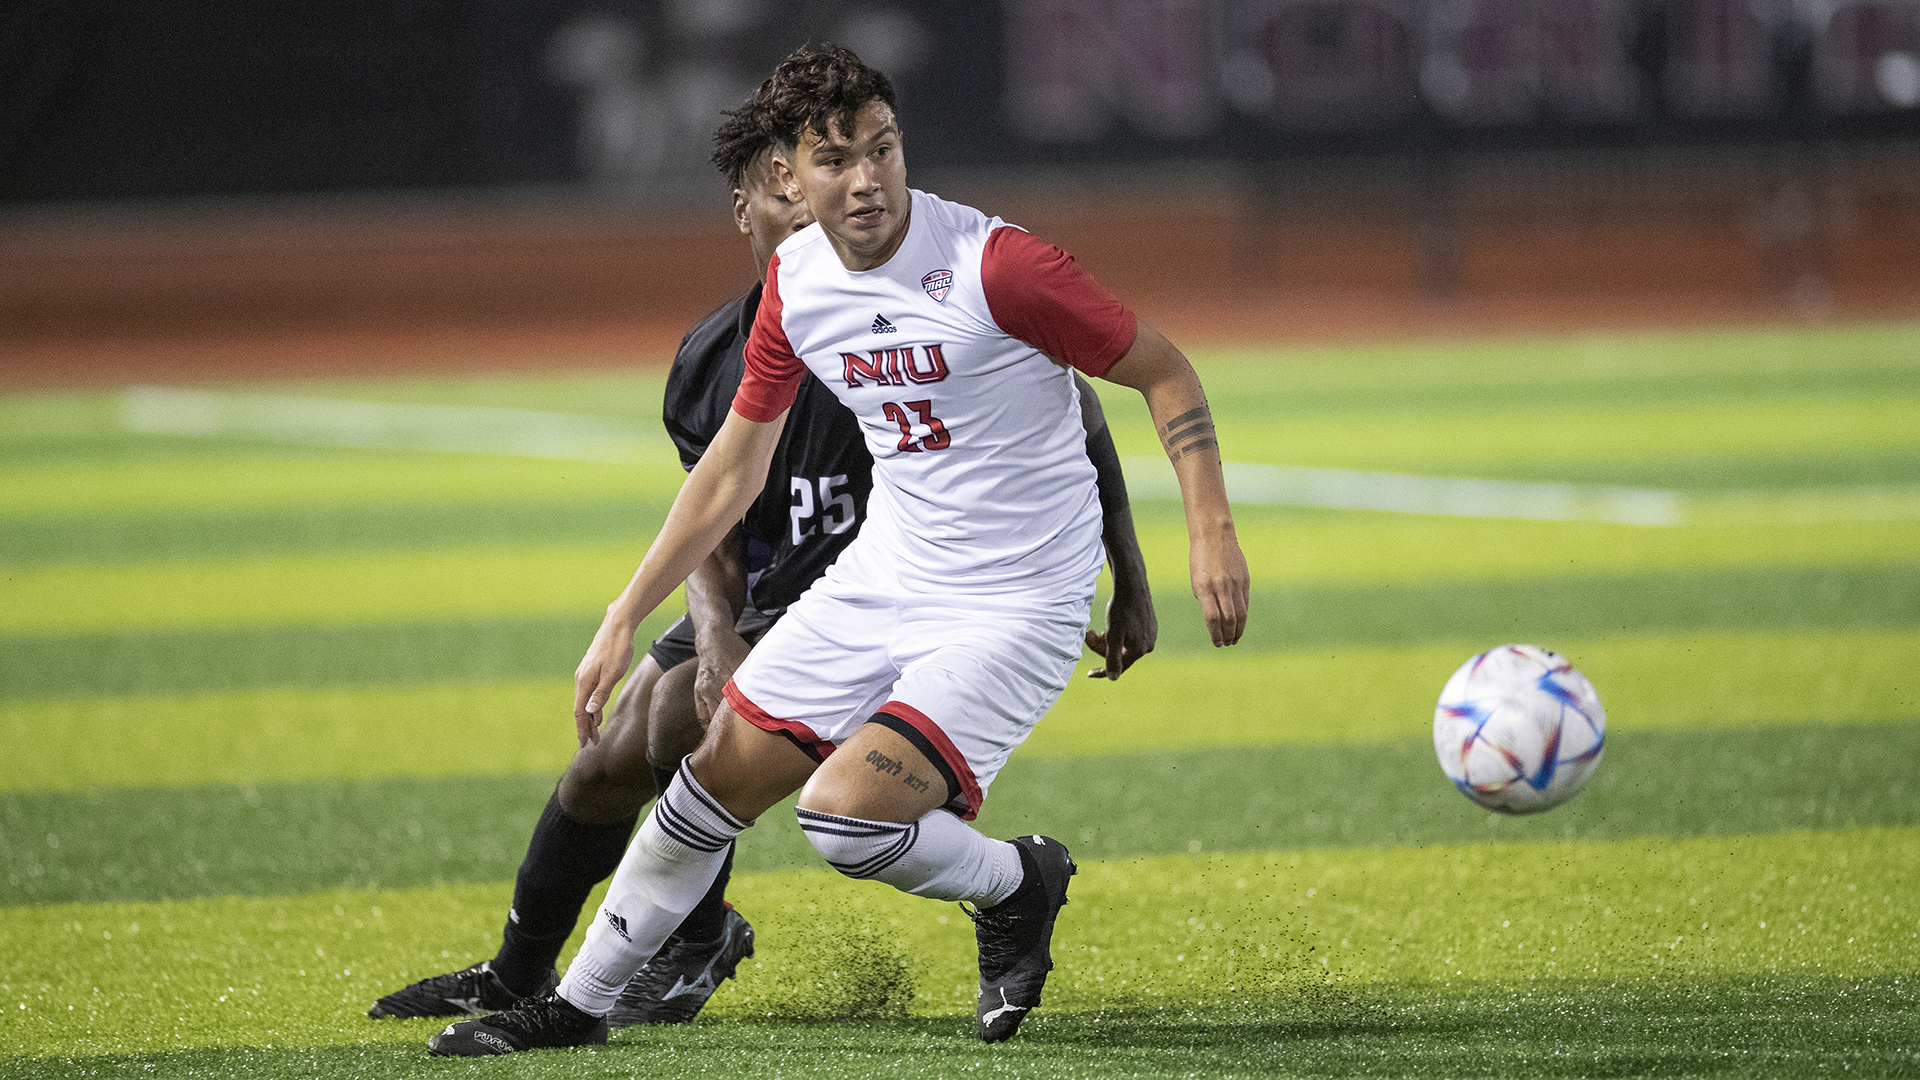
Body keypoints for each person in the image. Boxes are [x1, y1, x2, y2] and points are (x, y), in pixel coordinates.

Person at [428, 46, 1244, 1057]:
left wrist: (1206, 533)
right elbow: (731, 468)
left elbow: (1164, 372)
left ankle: (1018, 881)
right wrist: (622, 613)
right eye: (836, 158)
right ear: (789, 179)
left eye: (884, 150)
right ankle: (577, 1008)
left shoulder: (996, 266)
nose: (867, 180)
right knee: (706, 785)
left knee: (845, 819)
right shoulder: (798, 281)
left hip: (1015, 600)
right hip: (886, 574)